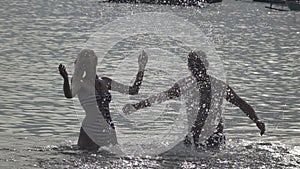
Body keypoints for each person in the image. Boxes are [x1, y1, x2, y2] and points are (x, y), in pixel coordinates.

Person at [122, 49, 265, 149]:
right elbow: (161, 97)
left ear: (204, 65)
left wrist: (256, 119)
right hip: (198, 136)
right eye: (193, 64)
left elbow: (240, 102)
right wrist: (137, 106)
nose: (195, 68)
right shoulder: (187, 85)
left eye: (197, 64)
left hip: (212, 136)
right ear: (190, 67)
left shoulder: (217, 85)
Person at [58, 49, 148, 151]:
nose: (87, 58)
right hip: (91, 128)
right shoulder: (80, 81)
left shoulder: (105, 81)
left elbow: (133, 90)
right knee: (83, 158)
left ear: (95, 61)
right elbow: (69, 94)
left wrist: (141, 67)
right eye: (84, 57)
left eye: (89, 56)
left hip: (108, 128)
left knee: (113, 160)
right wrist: (65, 79)